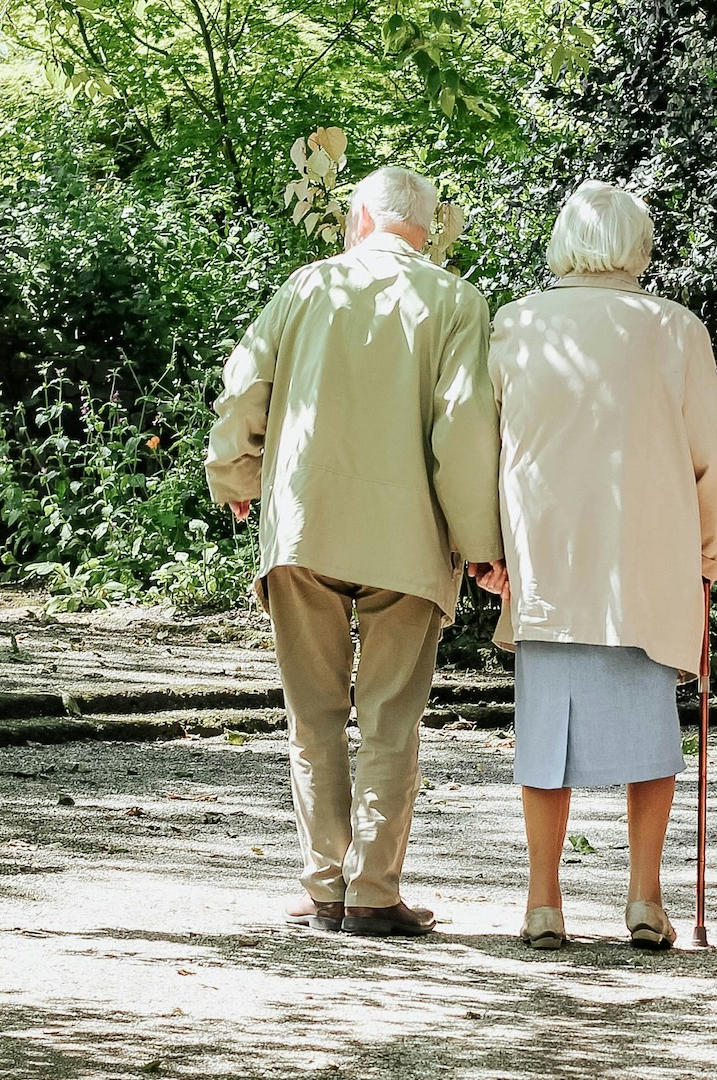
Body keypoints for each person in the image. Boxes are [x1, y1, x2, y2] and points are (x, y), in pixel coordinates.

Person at [205, 166, 505, 938]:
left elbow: (245, 390)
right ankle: (373, 893)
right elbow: (464, 430)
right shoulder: (457, 301)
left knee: (313, 716)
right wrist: (480, 545)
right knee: (390, 719)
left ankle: (323, 886)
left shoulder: (305, 287)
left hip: (307, 526)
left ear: (360, 218)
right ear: (428, 228)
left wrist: (234, 473)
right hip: (409, 539)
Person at [479, 180, 717, 951]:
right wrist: (714, 545)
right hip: (646, 562)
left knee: (543, 737)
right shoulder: (673, 330)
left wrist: (486, 549)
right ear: (639, 246)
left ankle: (542, 902)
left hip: (549, 561)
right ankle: (643, 898)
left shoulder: (516, 324)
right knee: (650, 737)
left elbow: (482, 450)